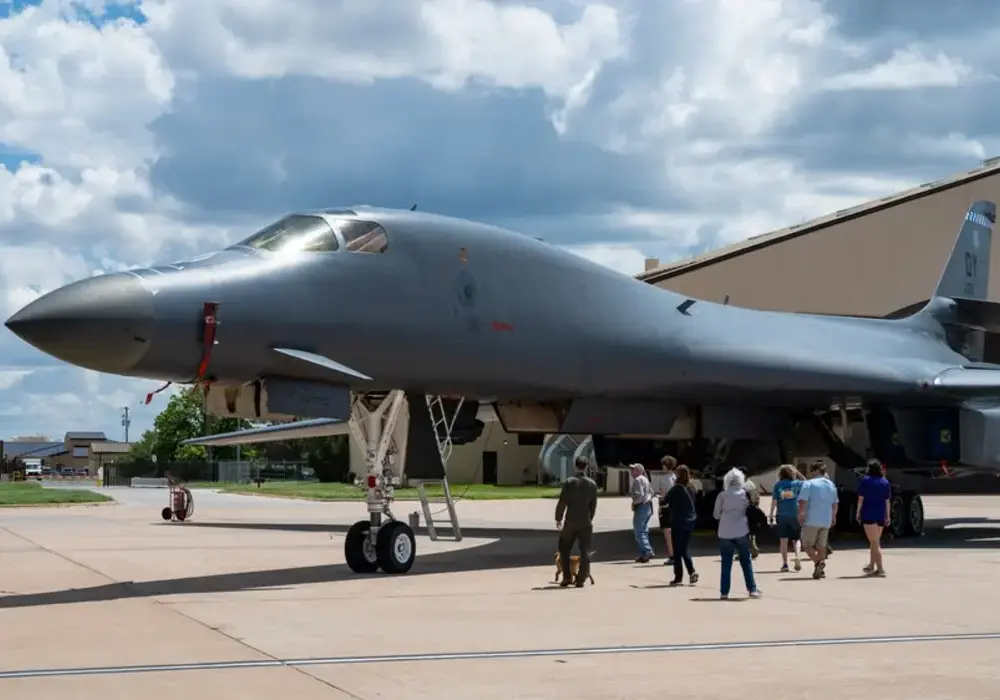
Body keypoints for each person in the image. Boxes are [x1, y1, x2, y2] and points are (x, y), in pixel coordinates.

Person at [713, 467, 761, 599]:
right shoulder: (744, 494)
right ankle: (752, 589)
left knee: (726, 563)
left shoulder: (722, 495)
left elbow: (716, 515)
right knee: (746, 561)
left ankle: (724, 592)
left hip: (724, 532)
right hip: (741, 530)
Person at [554, 456, 599, 587]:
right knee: (585, 551)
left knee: (564, 548)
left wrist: (558, 518)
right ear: (586, 467)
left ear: (575, 466)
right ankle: (581, 579)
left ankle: (567, 576)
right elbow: (593, 505)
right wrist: (589, 518)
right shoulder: (592, 484)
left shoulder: (569, 482)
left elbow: (562, 502)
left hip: (571, 520)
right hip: (585, 520)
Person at [797, 461, 839, 579]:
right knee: (822, 546)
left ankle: (818, 563)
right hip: (826, 519)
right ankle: (821, 571)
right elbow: (835, 503)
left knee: (807, 545)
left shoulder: (809, 484)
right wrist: (834, 516)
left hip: (811, 519)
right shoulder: (831, 485)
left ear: (815, 471)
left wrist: (801, 513)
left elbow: (803, 500)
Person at [663, 465, 699, 585]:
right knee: (684, 548)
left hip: (678, 522)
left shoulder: (675, 489)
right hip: (689, 522)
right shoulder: (692, 488)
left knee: (678, 551)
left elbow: (665, 502)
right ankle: (691, 571)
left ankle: (678, 577)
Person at [856, 459, 891, 577]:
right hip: (880, 514)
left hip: (868, 514)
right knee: (873, 543)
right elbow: (887, 501)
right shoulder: (885, 482)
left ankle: (880, 568)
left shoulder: (865, 481)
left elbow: (861, 498)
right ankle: (871, 565)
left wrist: (858, 512)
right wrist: (888, 515)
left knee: (875, 543)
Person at [769, 465, 804, 572]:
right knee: (796, 539)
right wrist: (798, 473)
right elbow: (806, 483)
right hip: (795, 515)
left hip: (782, 515)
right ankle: (797, 556)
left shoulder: (778, 485)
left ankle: (785, 564)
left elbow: (774, 501)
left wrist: (771, 514)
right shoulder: (799, 484)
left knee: (783, 540)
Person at [630, 463, 655, 563]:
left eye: (633, 469)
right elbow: (652, 493)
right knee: (644, 531)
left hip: (641, 506)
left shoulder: (638, 480)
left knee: (638, 531)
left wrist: (634, 503)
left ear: (639, 470)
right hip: (648, 506)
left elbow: (639, 495)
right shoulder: (645, 479)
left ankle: (648, 551)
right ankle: (644, 554)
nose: (631, 471)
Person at [657, 455, 678, 565]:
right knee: (674, 533)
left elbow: (663, 494)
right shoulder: (675, 477)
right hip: (675, 508)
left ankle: (672, 555)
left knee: (667, 533)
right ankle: (677, 554)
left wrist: (660, 507)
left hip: (666, 507)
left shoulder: (662, 479)